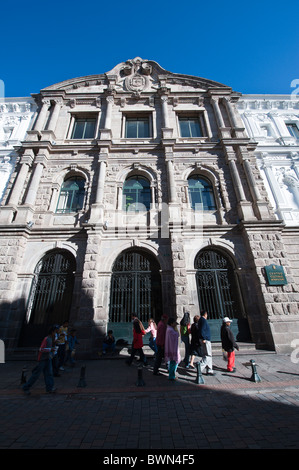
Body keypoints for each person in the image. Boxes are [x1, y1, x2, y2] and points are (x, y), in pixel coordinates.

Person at [22, 327, 57, 395]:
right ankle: (26, 387)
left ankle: (49, 388)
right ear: (52, 332)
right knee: (36, 374)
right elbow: (41, 349)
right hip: (42, 359)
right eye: (55, 332)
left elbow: (48, 348)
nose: (55, 334)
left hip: (48, 359)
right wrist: (50, 350)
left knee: (49, 374)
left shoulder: (51, 339)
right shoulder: (46, 339)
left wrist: (52, 348)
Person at [198, 311, 215, 375]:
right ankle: (199, 367)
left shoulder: (201, 320)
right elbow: (202, 329)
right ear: (205, 314)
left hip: (204, 339)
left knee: (208, 355)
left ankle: (209, 369)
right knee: (207, 355)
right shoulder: (203, 320)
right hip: (205, 340)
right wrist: (204, 338)